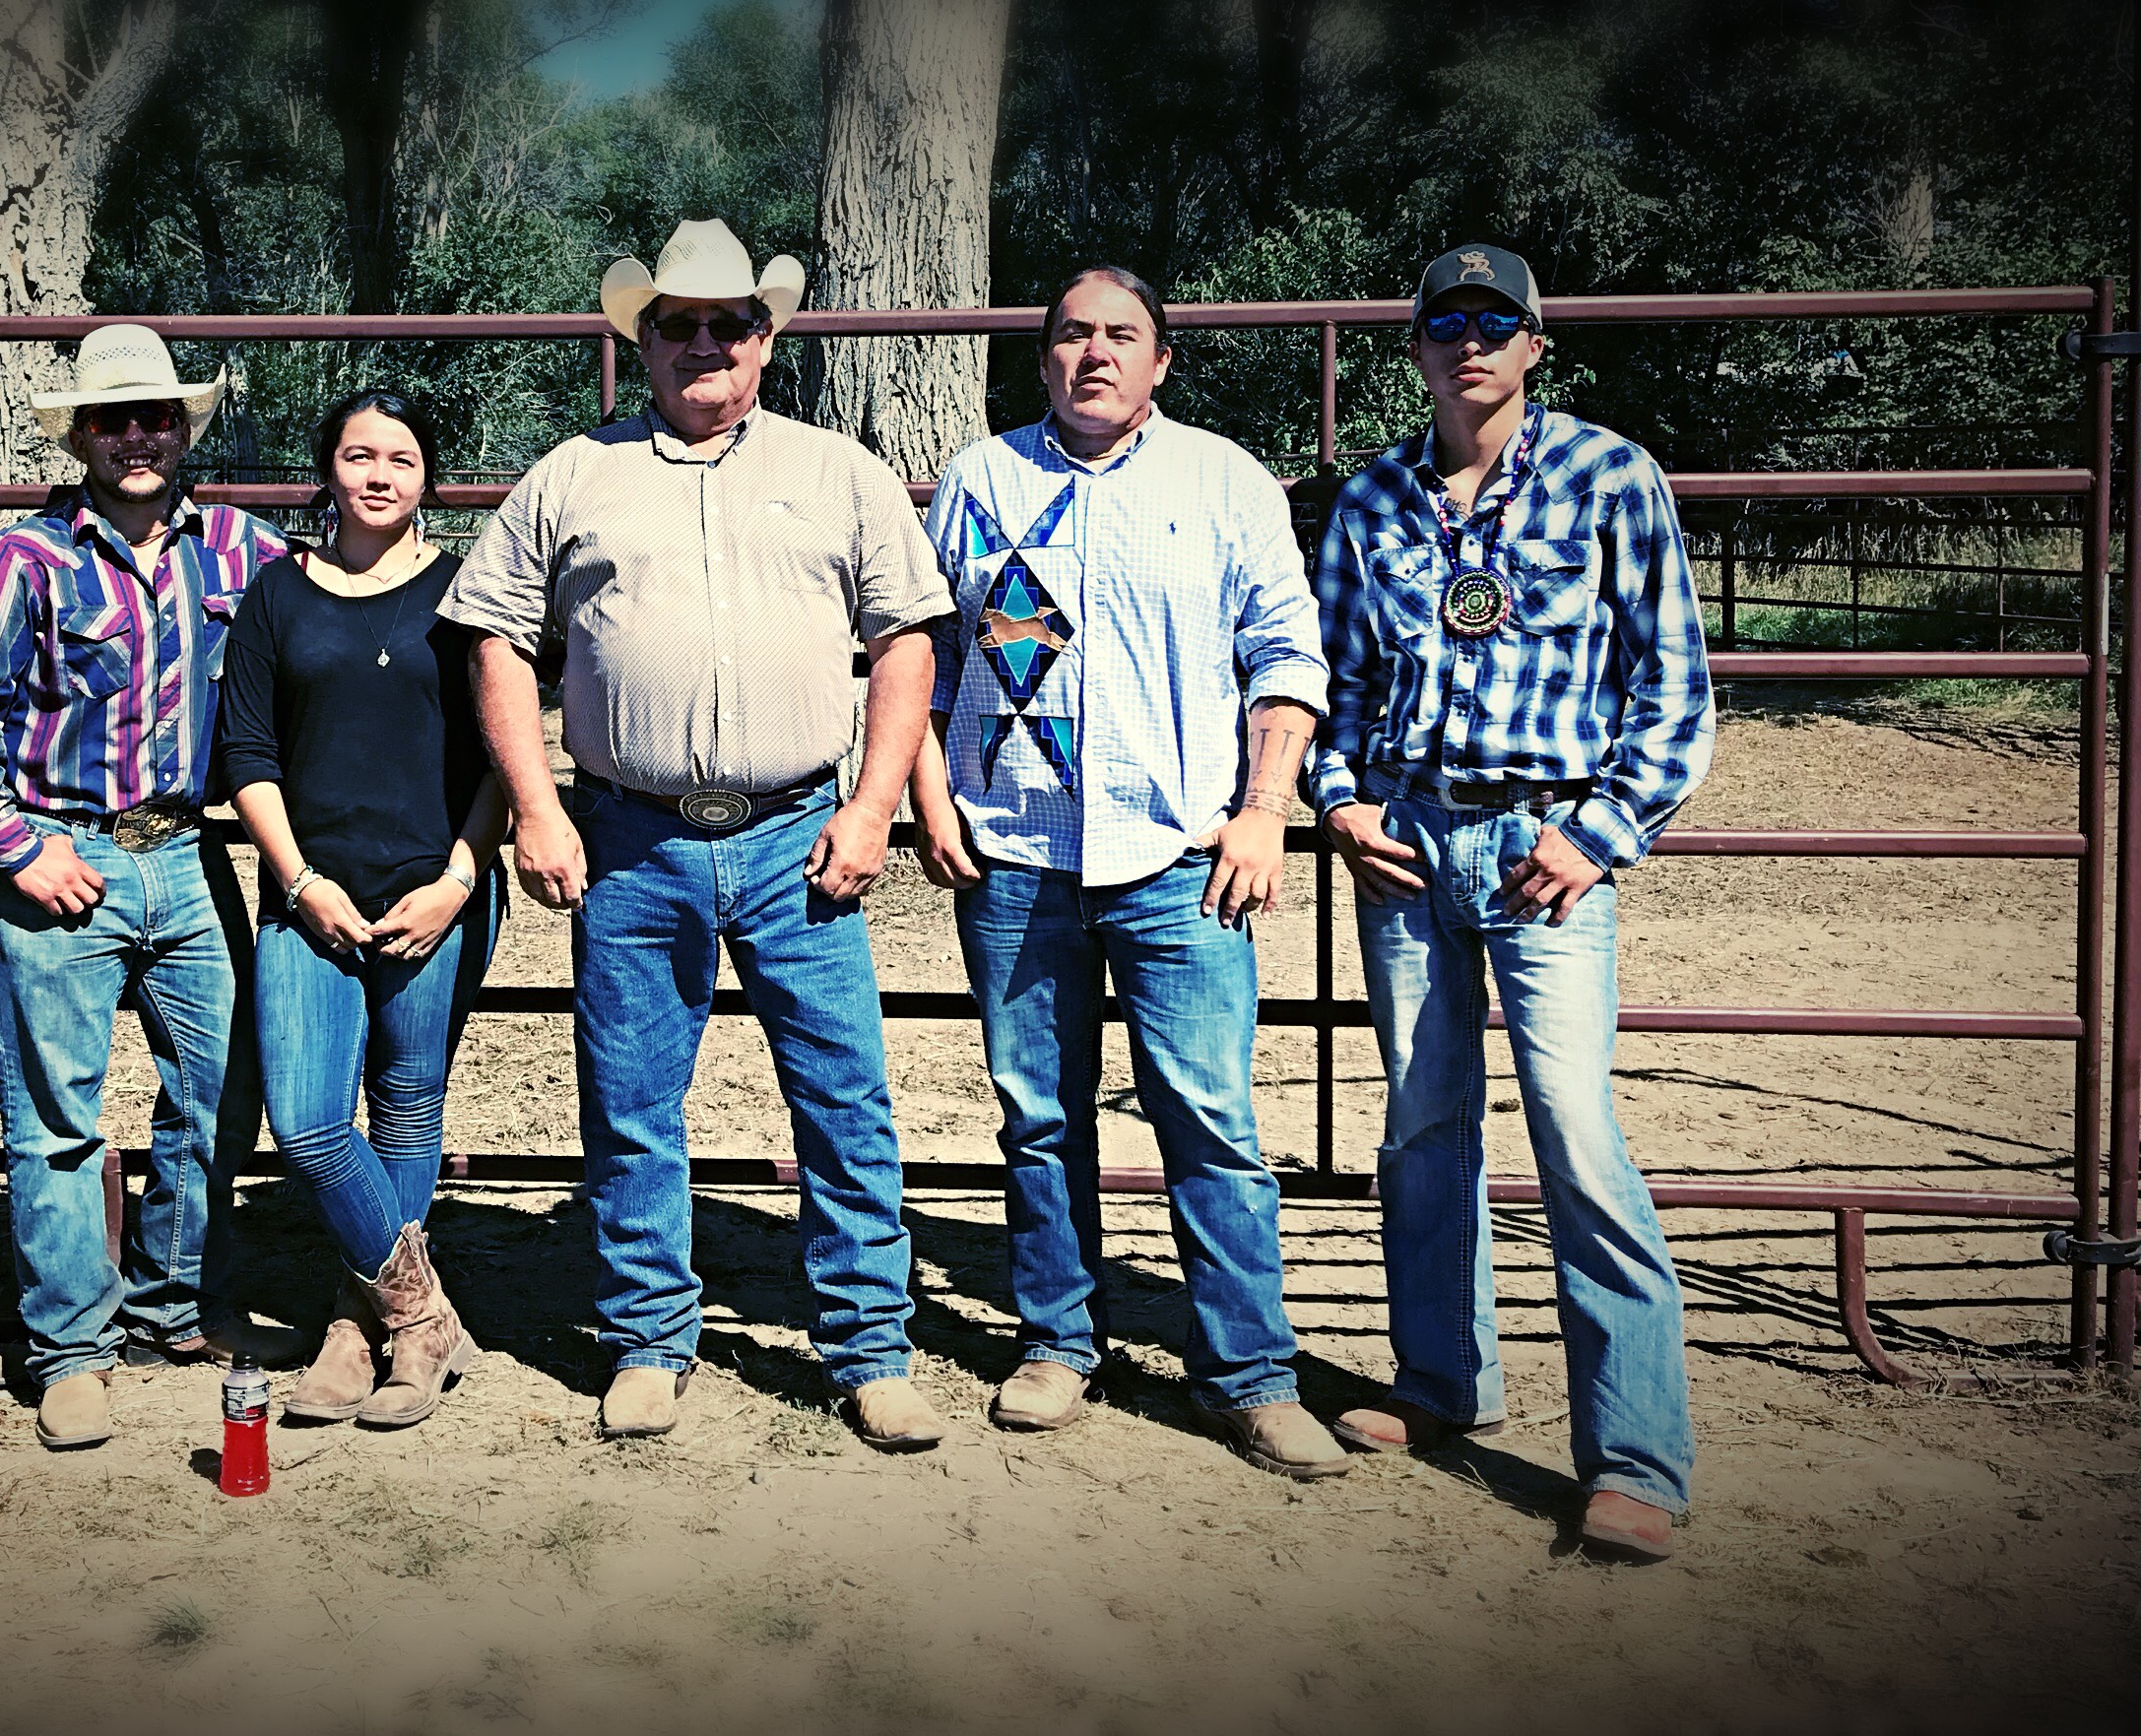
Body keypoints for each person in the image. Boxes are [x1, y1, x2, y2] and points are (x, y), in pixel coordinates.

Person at [441, 218, 955, 1450]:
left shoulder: (842, 472)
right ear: (645, 340)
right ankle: (647, 1338)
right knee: (629, 1101)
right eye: (679, 324)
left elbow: (907, 639)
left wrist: (875, 801)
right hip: (630, 835)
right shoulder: (572, 472)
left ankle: (869, 1344)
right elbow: (495, 638)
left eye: (730, 323)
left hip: (798, 836)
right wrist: (539, 803)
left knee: (842, 1097)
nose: (705, 344)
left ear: (767, 339)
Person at [909, 267, 1350, 1480]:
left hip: (1180, 855)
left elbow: (1284, 652)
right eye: (1070, 334)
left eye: (1122, 335)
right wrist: (929, 793)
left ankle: (1249, 1376)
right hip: (1016, 849)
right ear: (1041, 356)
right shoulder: (982, 482)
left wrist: (1265, 809)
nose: (1093, 353)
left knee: (1209, 1119)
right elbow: (934, 653)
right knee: (1037, 1114)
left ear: (1162, 360)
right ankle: (1058, 1340)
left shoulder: (1224, 481)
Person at [1310, 242, 1714, 1565]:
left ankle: (1635, 1453)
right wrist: (1340, 795)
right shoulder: (1372, 499)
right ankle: (1439, 1383)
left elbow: (1672, 687)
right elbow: (1341, 676)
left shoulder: (1610, 478)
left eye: (1495, 321)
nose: (1468, 341)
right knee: (1425, 1124)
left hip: (1548, 844)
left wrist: (1599, 834)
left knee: (1577, 1134)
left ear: (1536, 343)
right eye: (1445, 322)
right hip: (1413, 840)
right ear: (1415, 345)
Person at [0, 324, 292, 1451]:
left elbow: (321, 637)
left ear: (184, 430)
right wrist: (14, 845)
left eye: (157, 417)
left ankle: (173, 1307)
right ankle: (70, 1347)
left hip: (188, 851)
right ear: (79, 434)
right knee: (54, 1116)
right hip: (60, 855)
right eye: (113, 420)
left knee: (224, 1091)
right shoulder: (21, 561)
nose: (137, 436)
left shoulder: (242, 551)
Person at [215, 389, 510, 1430]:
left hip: (439, 891)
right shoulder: (275, 597)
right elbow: (246, 753)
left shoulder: (468, 594)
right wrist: (298, 881)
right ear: (326, 469)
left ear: (430, 475)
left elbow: (498, 758)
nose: (379, 475)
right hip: (310, 896)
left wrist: (458, 881)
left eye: (402, 458)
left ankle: (359, 1323)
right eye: (357, 455)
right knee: (304, 1124)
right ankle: (422, 1314)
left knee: (409, 1105)